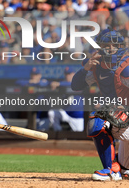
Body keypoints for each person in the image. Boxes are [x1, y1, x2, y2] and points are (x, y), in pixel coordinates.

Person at [71, 28, 129, 181]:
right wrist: (85, 69)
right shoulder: (96, 66)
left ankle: (113, 170)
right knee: (98, 119)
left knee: (101, 117)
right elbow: (75, 85)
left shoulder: (127, 65)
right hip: (123, 118)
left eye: (114, 45)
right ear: (100, 47)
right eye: (106, 45)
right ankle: (120, 169)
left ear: (121, 46)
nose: (111, 48)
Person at [48, 67, 84, 132]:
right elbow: (50, 84)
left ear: (74, 74)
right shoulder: (62, 85)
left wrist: (59, 84)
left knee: (80, 136)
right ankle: (59, 132)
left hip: (78, 117)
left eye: (69, 74)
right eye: (66, 74)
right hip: (66, 113)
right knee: (52, 113)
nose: (68, 76)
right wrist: (52, 83)